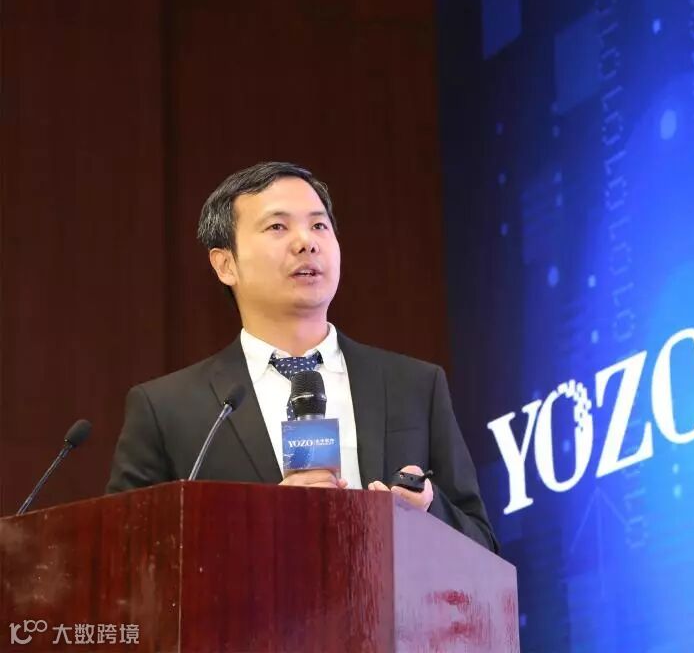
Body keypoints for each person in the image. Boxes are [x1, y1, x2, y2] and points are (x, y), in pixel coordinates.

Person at [106, 162, 496, 552]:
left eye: (319, 225)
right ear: (225, 264)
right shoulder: (168, 409)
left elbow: (484, 547)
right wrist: (264, 520)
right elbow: (125, 553)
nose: (306, 242)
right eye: (278, 226)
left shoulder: (414, 385)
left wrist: (428, 508)